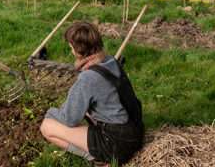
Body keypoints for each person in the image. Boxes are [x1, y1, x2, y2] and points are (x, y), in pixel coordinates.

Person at [40, 22, 144, 166]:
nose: (70, 51)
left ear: (78, 50)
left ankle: (99, 159)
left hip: (116, 144)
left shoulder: (88, 78)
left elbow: (69, 119)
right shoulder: (110, 61)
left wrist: (50, 113)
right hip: (135, 131)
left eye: (71, 47)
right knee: (85, 111)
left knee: (47, 127)